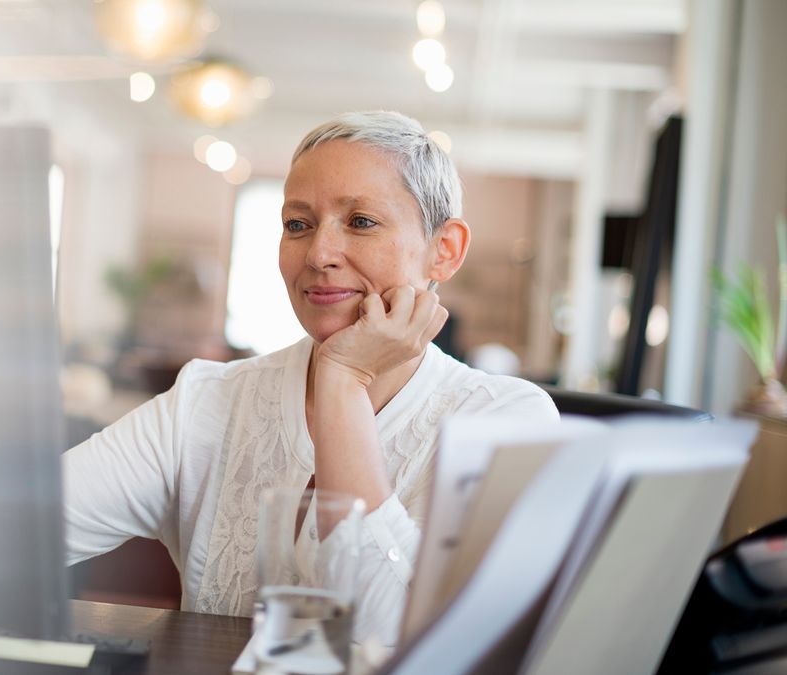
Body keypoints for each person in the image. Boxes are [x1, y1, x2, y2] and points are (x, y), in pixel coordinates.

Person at [62, 111, 559, 648]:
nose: (319, 254)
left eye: (361, 221)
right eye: (298, 224)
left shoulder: (509, 423)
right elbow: (19, 528)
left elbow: (385, 640)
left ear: (445, 250)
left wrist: (343, 380)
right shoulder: (208, 399)